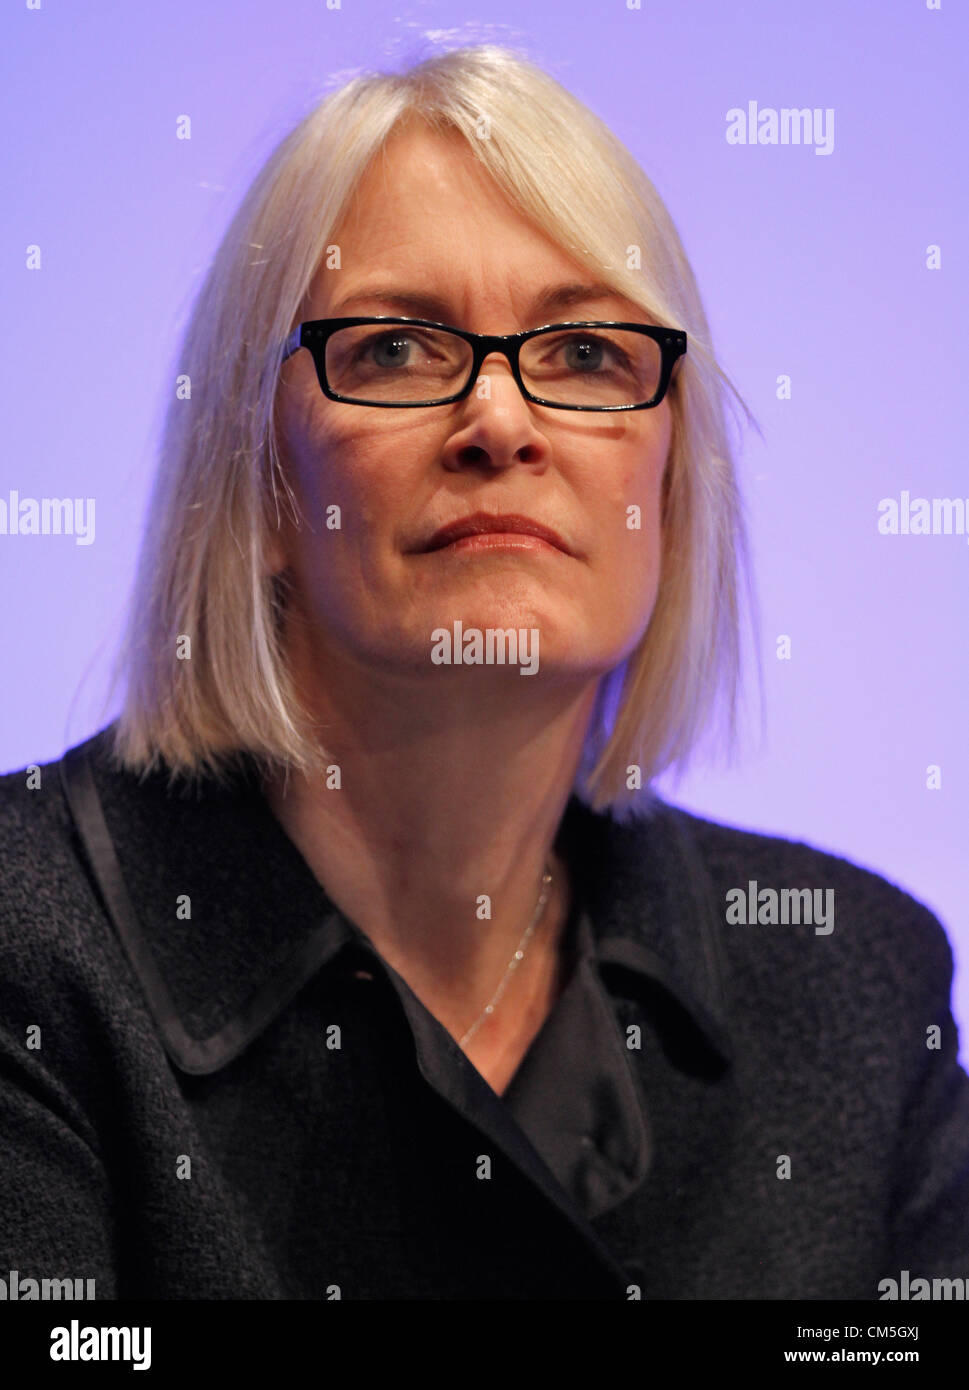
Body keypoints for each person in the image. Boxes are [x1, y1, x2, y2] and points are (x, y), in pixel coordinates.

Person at [1, 43, 967, 1302]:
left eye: (584, 355)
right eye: (396, 347)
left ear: (667, 485)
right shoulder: (31, 946)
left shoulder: (854, 977)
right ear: (260, 490)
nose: (503, 423)